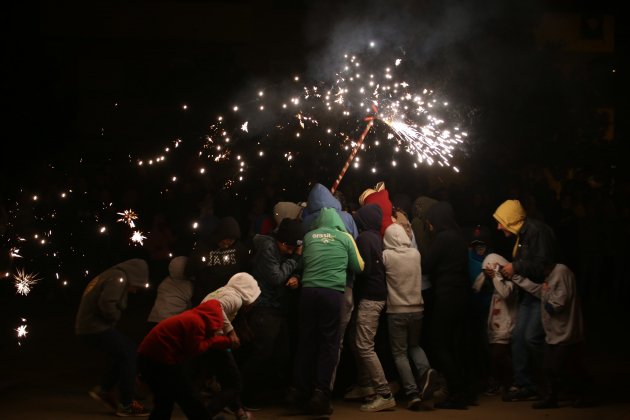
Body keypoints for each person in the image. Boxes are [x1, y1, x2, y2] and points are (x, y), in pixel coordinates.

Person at [288, 207, 364, 417]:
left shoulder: (309, 237)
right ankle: (321, 394)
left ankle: (299, 391)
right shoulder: (345, 237)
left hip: (308, 292)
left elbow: (302, 263)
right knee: (329, 344)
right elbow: (358, 267)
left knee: (306, 342)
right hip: (332, 294)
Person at [493, 199, 556, 402]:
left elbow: (542, 265)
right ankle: (525, 384)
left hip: (541, 294)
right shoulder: (522, 234)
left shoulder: (537, 232)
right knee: (519, 338)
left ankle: (549, 383)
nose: (498, 226)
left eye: (501, 221)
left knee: (531, 338)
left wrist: (516, 267)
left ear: (511, 219)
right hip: (528, 295)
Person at [241, 218, 305, 408]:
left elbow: (296, 268)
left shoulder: (284, 249)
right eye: (290, 248)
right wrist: (293, 261)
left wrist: (296, 276)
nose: (292, 252)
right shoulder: (267, 248)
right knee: (261, 354)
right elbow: (276, 277)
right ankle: (241, 395)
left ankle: (264, 393)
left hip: (278, 308)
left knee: (281, 354)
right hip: (264, 307)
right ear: (282, 242)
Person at [137, 299, 237, 420]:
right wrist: (220, 341)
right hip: (159, 360)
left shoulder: (194, 316)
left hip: (154, 358)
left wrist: (219, 340)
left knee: (165, 400)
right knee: (187, 396)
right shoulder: (197, 323)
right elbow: (195, 349)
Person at [75, 258, 151, 417]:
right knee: (130, 353)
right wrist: (114, 316)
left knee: (123, 352)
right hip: (95, 327)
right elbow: (107, 304)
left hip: (87, 327)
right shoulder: (118, 278)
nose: (135, 290)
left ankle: (105, 390)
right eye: (137, 285)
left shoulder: (110, 274)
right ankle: (126, 403)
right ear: (135, 276)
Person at [422, 201, 474, 409]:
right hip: (463, 295)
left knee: (439, 344)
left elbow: (427, 265)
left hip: (447, 295)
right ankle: (467, 391)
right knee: (456, 345)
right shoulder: (460, 237)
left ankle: (457, 392)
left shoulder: (443, 238)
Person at [383, 222, 437, 410]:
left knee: (399, 353)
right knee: (414, 346)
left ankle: (412, 393)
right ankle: (426, 371)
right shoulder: (416, 254)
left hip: (397, 311)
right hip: (417, 310)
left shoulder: (387, 256)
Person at [350, 203, 396, 412]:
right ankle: (366, 386)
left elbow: (364, 269)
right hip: (378, 295)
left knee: (364, 346)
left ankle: (384, 393)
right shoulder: (377, 237)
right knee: (358, 342)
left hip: (370, 296)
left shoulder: (365, 238)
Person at [529, 263, 591, 409]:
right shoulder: (549, 276)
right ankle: (553, 397)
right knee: (549, 367)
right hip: (554, 332)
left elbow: (558, 303)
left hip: (566, 331)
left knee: (561, 365)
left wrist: (549, 301)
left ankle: (581, 393)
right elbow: (543, 293)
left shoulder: (561, 272)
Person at [200, 272, 261, 419]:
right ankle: (205, 415)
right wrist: (231, 331)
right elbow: (216, 308)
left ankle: (238, 410)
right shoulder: (235, 298)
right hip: (214, 340)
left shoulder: (222, 291)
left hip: (207, 338)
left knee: (228, 380)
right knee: (235, 384)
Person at [474, 253, 517, 398]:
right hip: (494, 328)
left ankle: (513, 384)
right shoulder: (494, 283)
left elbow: (505, 293)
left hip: (506, 327)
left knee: (500, 355)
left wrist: (495, 276)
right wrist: (485, 275)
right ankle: (503, 384)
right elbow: (475, 288)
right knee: (496, 357)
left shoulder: (511, 283)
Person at [186, 216, 251, 306]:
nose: (226, 246)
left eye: (230, 243)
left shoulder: (239, 249)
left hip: (229, 299)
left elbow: (246, 270)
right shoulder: (204, 246)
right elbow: (189, 270)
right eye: (223, 243)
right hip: (206, 299)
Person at [146, 256, 193, 331]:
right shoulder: (188, 286)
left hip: (154, 318)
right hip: (171, 323)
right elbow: (190, 305)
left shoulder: (165, 282)